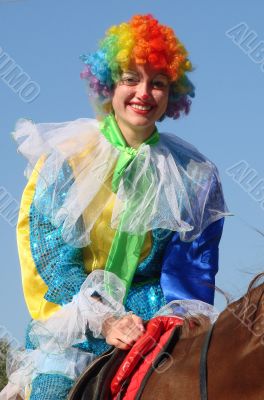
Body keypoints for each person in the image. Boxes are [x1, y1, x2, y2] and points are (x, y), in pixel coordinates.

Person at [0, 14, 229, 400]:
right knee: (54, 392)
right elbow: (52, 260)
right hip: (79, 328)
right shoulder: (66, 156)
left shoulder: (195, 175)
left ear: (173, 95)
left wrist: (169, 321)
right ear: (109, 84)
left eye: (158, 83)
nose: (144, 92)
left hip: (155, 324)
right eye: (131, 79)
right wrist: (105, 320)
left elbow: (190, 268)